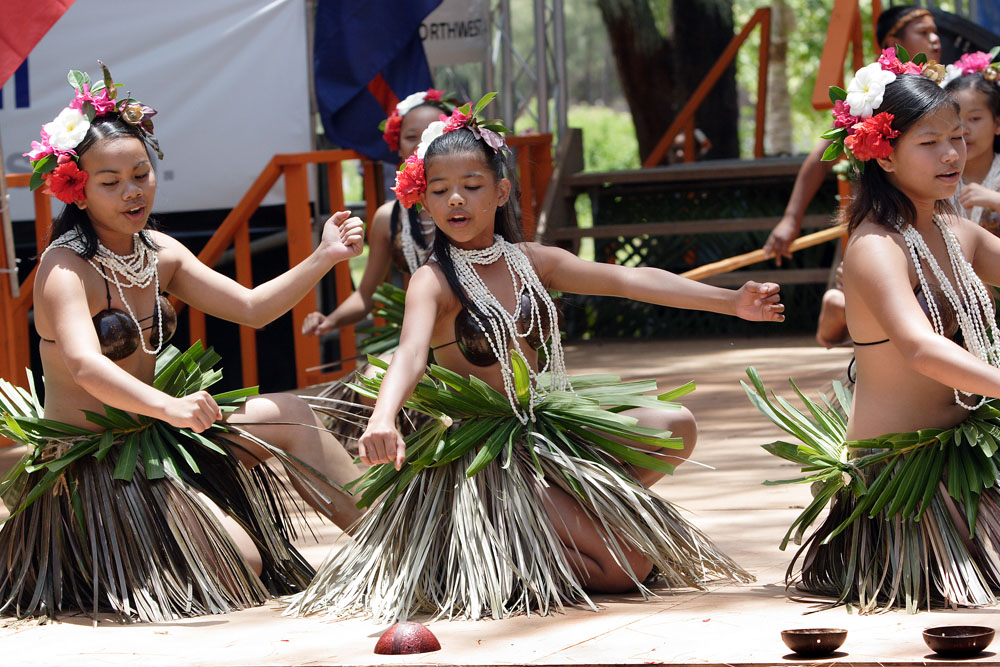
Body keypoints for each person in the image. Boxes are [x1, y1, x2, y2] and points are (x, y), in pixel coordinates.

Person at [286, 97, 785, 622]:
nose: (456, 199)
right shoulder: (433, 282)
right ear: (424, 201)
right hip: (489, 457)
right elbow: (409, 353)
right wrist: (384, 415)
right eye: (439, 191)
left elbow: (630, 280)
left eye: (472, 186)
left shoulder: (534, 261)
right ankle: (498, 555)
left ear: (500, 192)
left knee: (672, 424)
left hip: (547, 427)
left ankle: (570, 513)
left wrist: (729, 301)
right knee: (628, 566)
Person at [0, 62, 365, 622]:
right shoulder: (64, 268)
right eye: (110, 182)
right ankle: (91, 561)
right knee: (241, 562)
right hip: (95, 465)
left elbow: (251, 308)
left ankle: (394, 548)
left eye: (141, 174)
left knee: (291, 413)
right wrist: (169, 406)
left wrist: (323, 258)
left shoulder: (159, 252)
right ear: (77, 189)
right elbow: (86, 365)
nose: (132, 191)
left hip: (157, 433)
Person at [748, 50, 1000, 613]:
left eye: (958, 137)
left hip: (972, 456)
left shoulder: (958, 231)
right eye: (929, 142)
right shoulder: (875, 247)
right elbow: (918, 346)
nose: (952, 153)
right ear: (883, 154)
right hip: (905, 488)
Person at [763, 6, 943, 348]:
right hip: (883, 212)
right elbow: (823, 154)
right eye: (922, 31)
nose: (934, 38)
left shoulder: (944, 82)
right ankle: (842, 315)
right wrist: (790, 219)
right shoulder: (876, 89)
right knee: (852, 322)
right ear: (894, 41)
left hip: (935, 211)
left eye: (935, 31)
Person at [300, 89, 454, 338]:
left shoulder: (472, 202)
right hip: (421, 336)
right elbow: (365, 295)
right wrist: (329, 320)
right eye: (411, 136)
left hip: (480, 331)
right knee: (374, 374)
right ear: (398, 148)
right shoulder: (388, 218)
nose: (421, 143)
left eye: (433, 133)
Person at [945, 52, 1000, 231]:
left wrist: (994, 200)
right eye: (955, 119)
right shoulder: (933, 174)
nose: (963, 130)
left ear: (997, 124)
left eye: (975, 118)